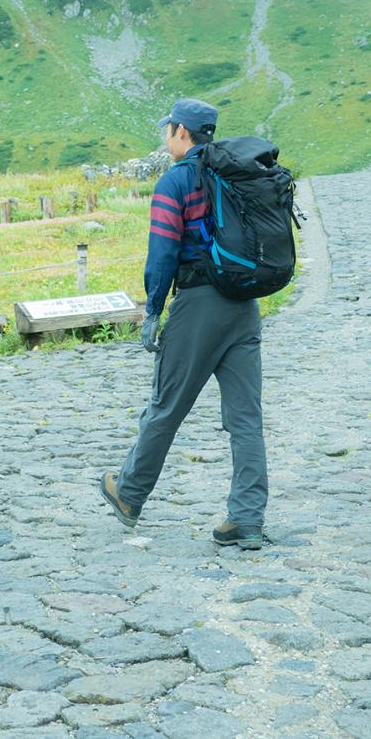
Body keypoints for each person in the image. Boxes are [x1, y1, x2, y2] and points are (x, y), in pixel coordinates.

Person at [100, 98, 268, 550]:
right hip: (244, 305)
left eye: (168, 129)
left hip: (198, 305)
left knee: (166, 405)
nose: (165, 137)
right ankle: (247, 518)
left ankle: (130, 494)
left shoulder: (175, 181)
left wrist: (153, 310)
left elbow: (163, 253)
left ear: (181, 133)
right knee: (246, 418)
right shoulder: (233, 175)